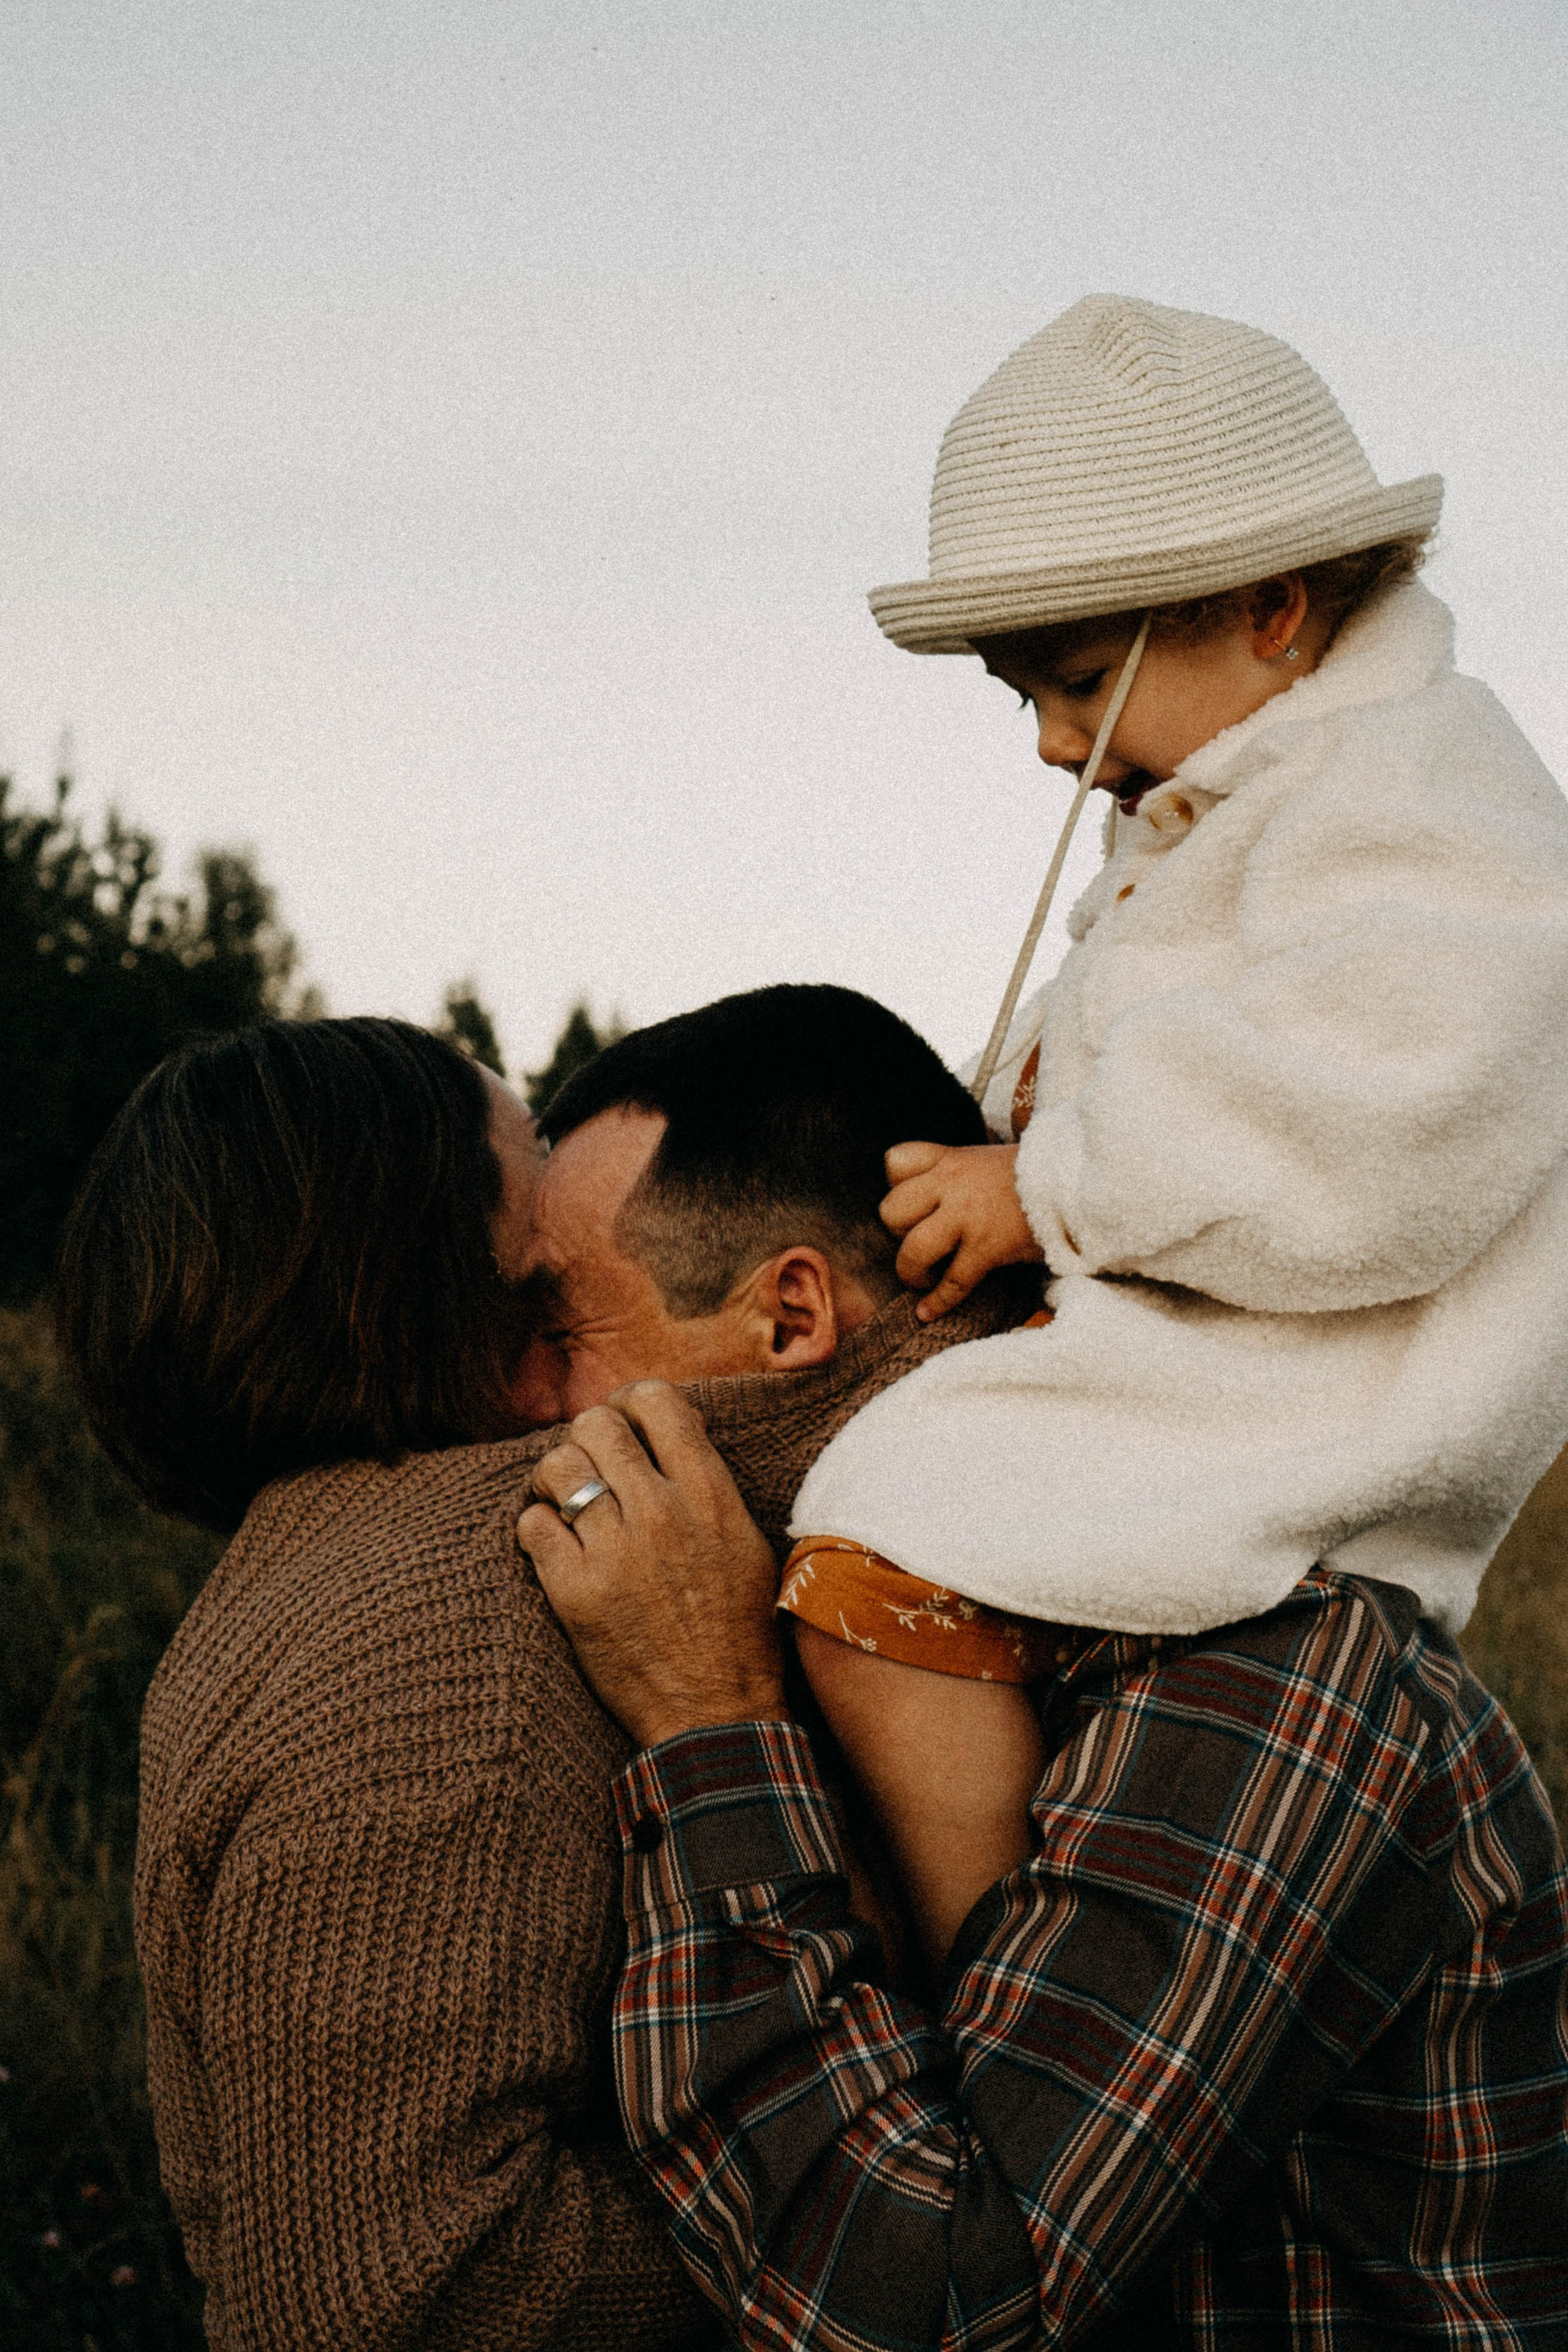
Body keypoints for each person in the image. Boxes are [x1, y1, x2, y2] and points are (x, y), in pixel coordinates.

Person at [516, 297, 1568, 2346]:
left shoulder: (1425, 809)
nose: (1046, 745)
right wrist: (1015, 1123)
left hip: (1299, 1398)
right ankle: (990, 1959)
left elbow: (1388, 1117)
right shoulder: (1230, 808)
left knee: (886, 1526)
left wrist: (1048, 1188)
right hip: (1217, 1373)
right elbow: (1128, 1049)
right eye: (1024, 694)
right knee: (897, 1522)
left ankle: (967, 1965)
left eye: (1077, 683)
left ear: (1274, 608)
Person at [56, 990, 1046, 2347]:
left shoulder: (308, 1586)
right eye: (542, 1295)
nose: (551, 1385)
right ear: (422, 1281)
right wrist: (803, 2225)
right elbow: (394, 2298)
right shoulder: (449, 1639)